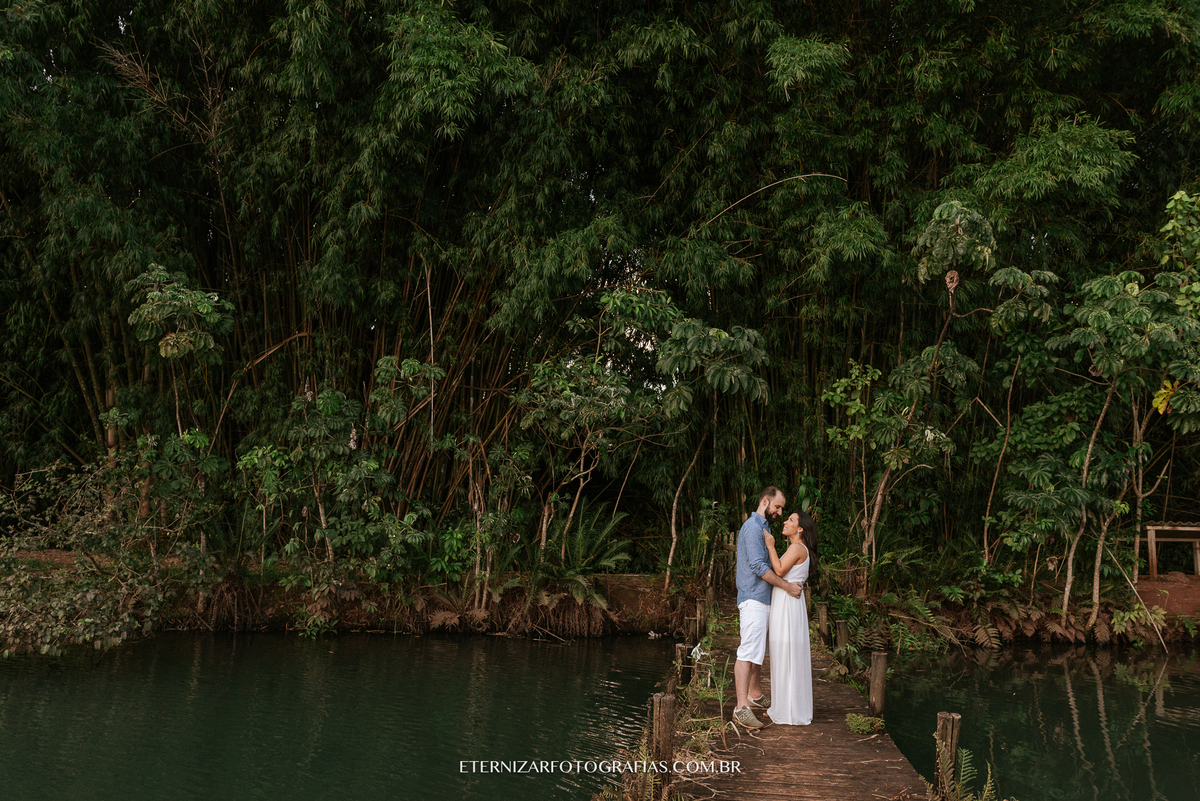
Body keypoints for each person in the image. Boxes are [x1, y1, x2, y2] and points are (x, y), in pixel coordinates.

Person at [732, 487, 804, 730]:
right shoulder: (753, 527)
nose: (779, 511)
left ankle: (755, 693)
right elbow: (759, 568)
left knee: (758, 651)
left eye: (782, 508)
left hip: (762, 599)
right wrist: (786, 586)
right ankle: (741, 707)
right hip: (753, 598)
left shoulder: (765, 527)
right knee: (748, 651)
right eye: (777, 506)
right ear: (765, 501)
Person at [763, 511, 817, 725]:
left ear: (801, 528)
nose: (785, 522)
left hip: (787, 605)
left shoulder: (796, 547)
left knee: (785, 652)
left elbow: (778, 569)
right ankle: (783, 705)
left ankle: (787, 708)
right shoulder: (798, 548)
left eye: (791, 520)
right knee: (785, 652)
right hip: (788, 603)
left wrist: (770, 545)